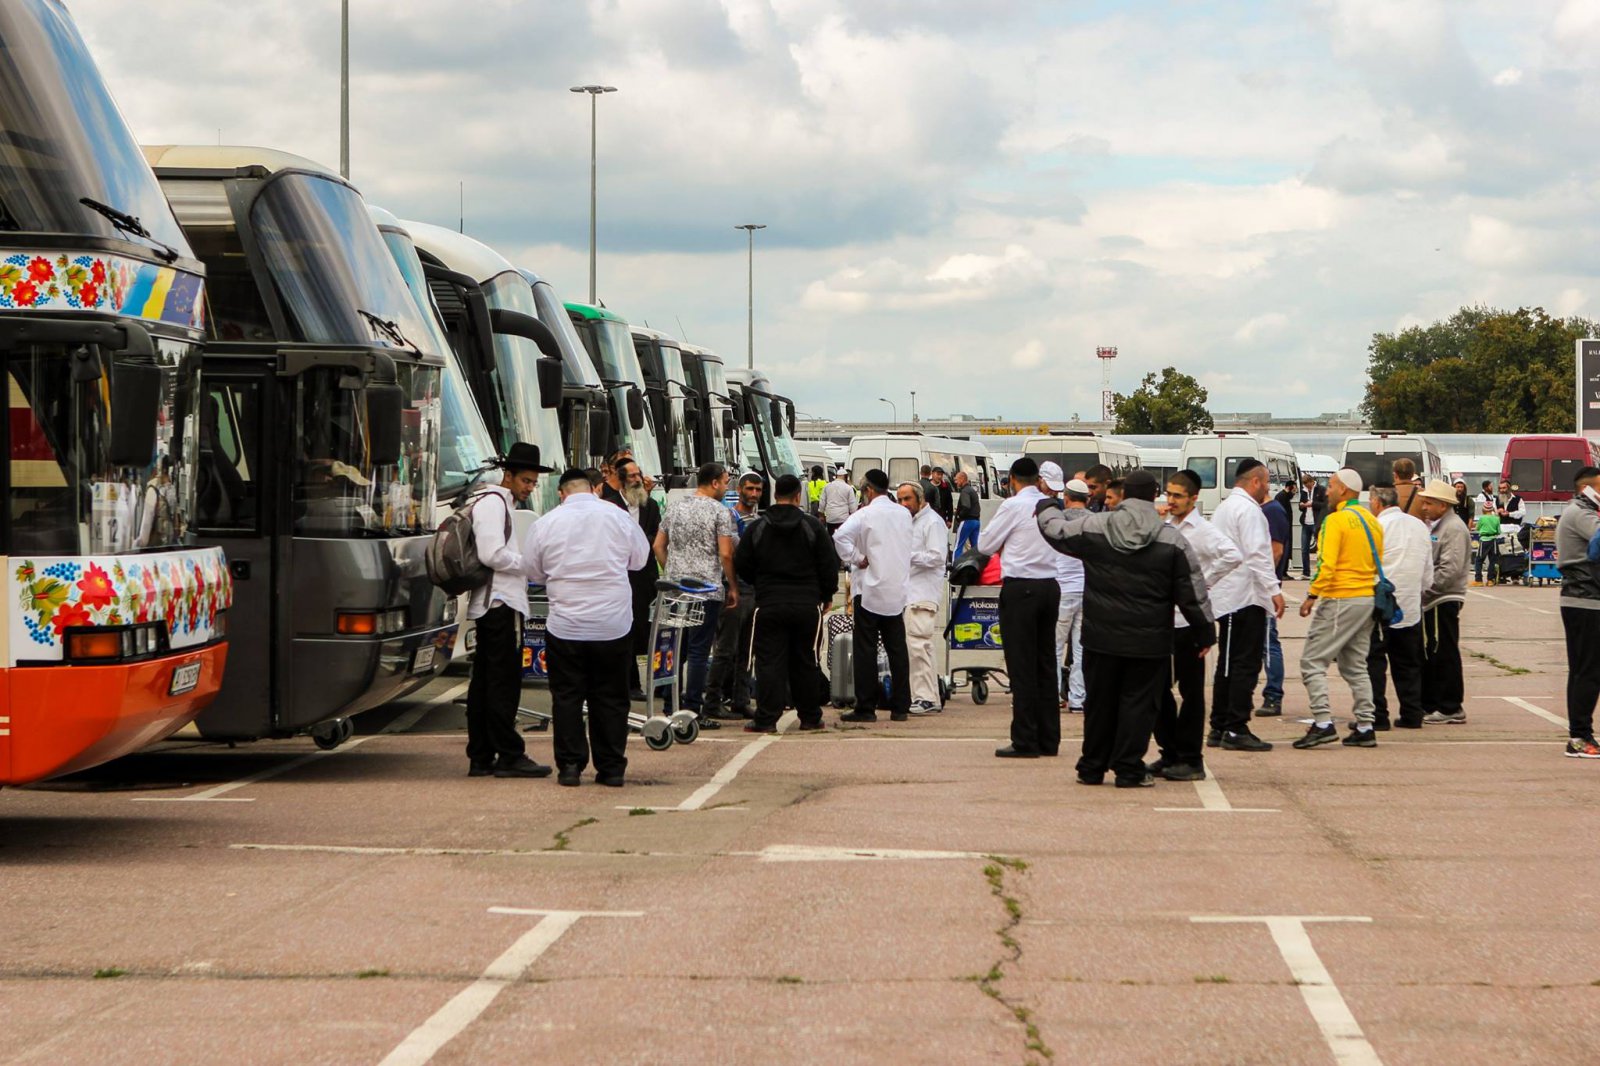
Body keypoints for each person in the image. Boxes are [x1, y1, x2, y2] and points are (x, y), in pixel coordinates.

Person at [1038, 469, 1215, 787]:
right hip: (1149, 641)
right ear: (1154, 495)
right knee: (1139, 705)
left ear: (1122, 494)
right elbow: (1192, 591)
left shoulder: (1096, 527)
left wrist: (1045, 506)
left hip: (1100, 635)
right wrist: (1205, 631)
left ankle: (1091, 767)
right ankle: (1128, 768)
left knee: (1100, 702)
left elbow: (1057, 532)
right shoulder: (1171, 539)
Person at [524, 468, 650, 787]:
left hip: (567, 625)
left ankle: (569, 766)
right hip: (613, 623)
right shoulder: (618, 516)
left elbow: (534, 572)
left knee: (567, 696)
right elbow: (639, 560)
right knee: (610, 696)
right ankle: (611, 768)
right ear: (594, 490)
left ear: (561, 494)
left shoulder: (546, 523)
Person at [465, 442, 554, 779]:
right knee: (501, 682)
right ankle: (508, 753)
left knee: (487, 682)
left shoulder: (494, 503)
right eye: (526, 481)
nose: (530, 488)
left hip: (495, 603)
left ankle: (482, 754)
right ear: (509, 475)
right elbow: (492, 554)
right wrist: (529, 566)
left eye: (533, 482)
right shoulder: (493, 504)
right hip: (498, 603)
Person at [1151, 469, 1241, 780]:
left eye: (1178, 496)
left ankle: (1191, 758)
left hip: (1189, 622)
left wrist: (1202, 582)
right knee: (1158, 690)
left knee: (1191, 692)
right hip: (1163, 621)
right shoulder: (1164, 524)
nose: (1171, 500)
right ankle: (1169, 751)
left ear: (1193, 499)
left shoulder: (1202, 530)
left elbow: (1232, 555)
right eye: (1169, 494)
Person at [735, 472, 840, 733]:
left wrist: (760, 584)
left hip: (769, 603)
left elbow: (742, 563)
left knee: (769, 661)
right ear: (798, 496)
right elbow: (829, 564)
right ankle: (810, 717)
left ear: (774, 495)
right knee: (806, 660)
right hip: (807, 604)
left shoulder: (758, 527)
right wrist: (826, 595)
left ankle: (766, 719)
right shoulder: (812, 526)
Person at [1292, 469, 1382, 749]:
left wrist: (1311, 595)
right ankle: (1366, 725)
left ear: (1344, 490)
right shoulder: (1372, 520)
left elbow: (1326, 565)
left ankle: (1322, 722)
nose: (1327, 491)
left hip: (1341, 597)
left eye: (1331, 486)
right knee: (1355, 665)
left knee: (1312, 662)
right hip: (1367, 598)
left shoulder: (1335, 521)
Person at [979, 457, 1062, 758]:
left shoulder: (1012, 506)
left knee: (1022, 664)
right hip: (1049, 585)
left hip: (1021, 587)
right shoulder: (1050, 505)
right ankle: (1049, 737)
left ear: (1012, 478)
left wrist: (1005, 544)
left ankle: (1025, 738)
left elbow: (985, 544)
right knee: (1045, 663)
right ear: (1038, 478)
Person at [1206, 459, 1285, 752]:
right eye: (1266, 482)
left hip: (1230, 598)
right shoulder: (1249, 511)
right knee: (1244, 664)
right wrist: (1274, 590)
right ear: (1255, 482)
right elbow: (1258, 555)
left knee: (1228, 663)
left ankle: (1220, 724)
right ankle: (1236, 727)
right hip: (1244, 597)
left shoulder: (1226, 508)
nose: (1267, 488)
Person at [654, 463, 738, 722]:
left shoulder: (676, 507)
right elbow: (725, 552)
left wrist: (673, 572)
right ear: (714, 482)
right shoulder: (720, 511)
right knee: (699, 651)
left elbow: (658, 545)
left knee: (676, 648)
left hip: (676, 590)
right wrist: (732, 585)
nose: (725, 488)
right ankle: (692, 708)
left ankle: (670, 702)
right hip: (706, 589)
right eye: (725, 482)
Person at [834, 468, 913, 722]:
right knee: (897, 649)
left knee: (865, 649)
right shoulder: (903, 514)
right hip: (896, 589)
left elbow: (839, 536)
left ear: (868, 490)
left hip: (869, 590)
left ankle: (865, 707)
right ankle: (901, 705)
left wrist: (857, 558)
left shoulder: (865, 514)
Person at [1366, 484, 1432, 730]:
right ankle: (1412, 713)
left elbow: (1369, 565)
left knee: (1375, 661)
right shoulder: (1419, 526)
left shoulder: (1376, 527)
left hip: (1381, 605)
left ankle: (1377, 715)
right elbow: (1428, 574)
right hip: (1411, 606)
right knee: (1409, 663)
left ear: (1376, 502)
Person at [703, 472, 763, 721]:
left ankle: (741, 698)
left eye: (758, 490)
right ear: (739, 490)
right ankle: (712, 702)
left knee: (746, 650)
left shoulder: (758, 518)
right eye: (749, 489)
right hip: (733, 587)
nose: (754, 494)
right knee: (726, 649)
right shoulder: (730, 516)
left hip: (752, 588)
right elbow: (734, 550)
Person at [601, 457, 661, 703]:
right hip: (619, 576)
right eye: (632, 476)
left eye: (639, 474)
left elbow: (655, 533)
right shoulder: (609, 505)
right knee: (623, 628)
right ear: (620, 479)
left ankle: (655, 681)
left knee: (644, 629)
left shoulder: (651, 505)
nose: (637, 479)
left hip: (644, 576)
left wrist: (639, 543)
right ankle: (630, 682)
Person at [1414, 479, 1470, 725]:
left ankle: (1450, 706)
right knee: (1435, 651)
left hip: (1442, 598)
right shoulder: (1439, 526)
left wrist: (1426, 589)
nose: (1423, 506)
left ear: (1442, 505)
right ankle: (1436, 702)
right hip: (1434, 599)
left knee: (1443, 651)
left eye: (1428, 502)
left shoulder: (1453, 528)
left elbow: (1450, 570)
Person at [1555, 465, 1600, 758]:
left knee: (1585, 670)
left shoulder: (1583, 511)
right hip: (1585, 601)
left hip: (1585, 600)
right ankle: (1579, 737)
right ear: (1588, 488)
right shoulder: (1581, 513)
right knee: (1588, 671)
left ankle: (1580, 733)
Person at [898, 480, 947, 714]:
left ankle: (926, 698)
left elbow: (937, 557)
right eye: (899, 499)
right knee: (917, 647)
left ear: (920, 499)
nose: (903, 504)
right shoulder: (911, 522)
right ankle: (924, 695)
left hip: (923, 593)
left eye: (907, 499)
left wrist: (906, 555)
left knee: (918, 646)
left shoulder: (932, 522)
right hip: (910, 594)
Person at [1052, 473, 1089, 714]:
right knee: (1081, 649)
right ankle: (1078, 699)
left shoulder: (1058, 522)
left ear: (1066, 498)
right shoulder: (1095, 521)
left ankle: (1053, 694)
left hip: (1062, 590)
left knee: (1054, 646)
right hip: (1087, 590)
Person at [1257, 480, 1292, 715]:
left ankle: (1273, 694)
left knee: (1269, 642)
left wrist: (1268, 584)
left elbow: (1276, 550)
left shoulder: (1273, 511)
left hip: (1266, 588)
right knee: (1261, 642)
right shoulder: (1263, 511)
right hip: (1258, 588)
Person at [1296, 472, 1328, 578]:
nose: (1307, 487)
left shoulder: (1321, 490)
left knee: (1320, 547)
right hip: (1306, 522)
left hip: (1316, 522)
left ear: (1311, 482)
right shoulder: (1304, 491)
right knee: (1304, 549)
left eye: (1308, 485)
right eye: (1305, 486)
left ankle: (1321, 571)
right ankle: (1306, 572)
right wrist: (1302, 505)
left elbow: (1325, 505)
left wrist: (1313, 504)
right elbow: (1300, 506)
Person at [952, 470, 982, 556]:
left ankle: (955, 567)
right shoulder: (972, 490)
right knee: (975, 547)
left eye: (956, 480)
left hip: (967, 521)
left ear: (962, 479)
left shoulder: (965, 491)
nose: (956, 482)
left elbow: (966, 506)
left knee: (958, 546)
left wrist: (959, 515)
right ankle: (976, 565)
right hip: (976, 521)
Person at [820, 466, 857, 534]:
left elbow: (822, 502)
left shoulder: (827, 486)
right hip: (843, 519)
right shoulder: (848, 488)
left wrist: (821, 515)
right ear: (846, 476)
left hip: (830, 518)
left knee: (831, 537)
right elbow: (852, 506)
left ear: (836, 476)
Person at [1474, 499, 1501, 586]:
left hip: (1484, 540)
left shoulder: (1482, 518)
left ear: (1484, 509)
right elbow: (1499, 531)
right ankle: (1490, 580)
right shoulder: (1497, 519)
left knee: (1479, 560)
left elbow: (1477, 528)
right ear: (1492, 509)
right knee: (1492, 561)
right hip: (1493, 541)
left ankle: (1478, 580)